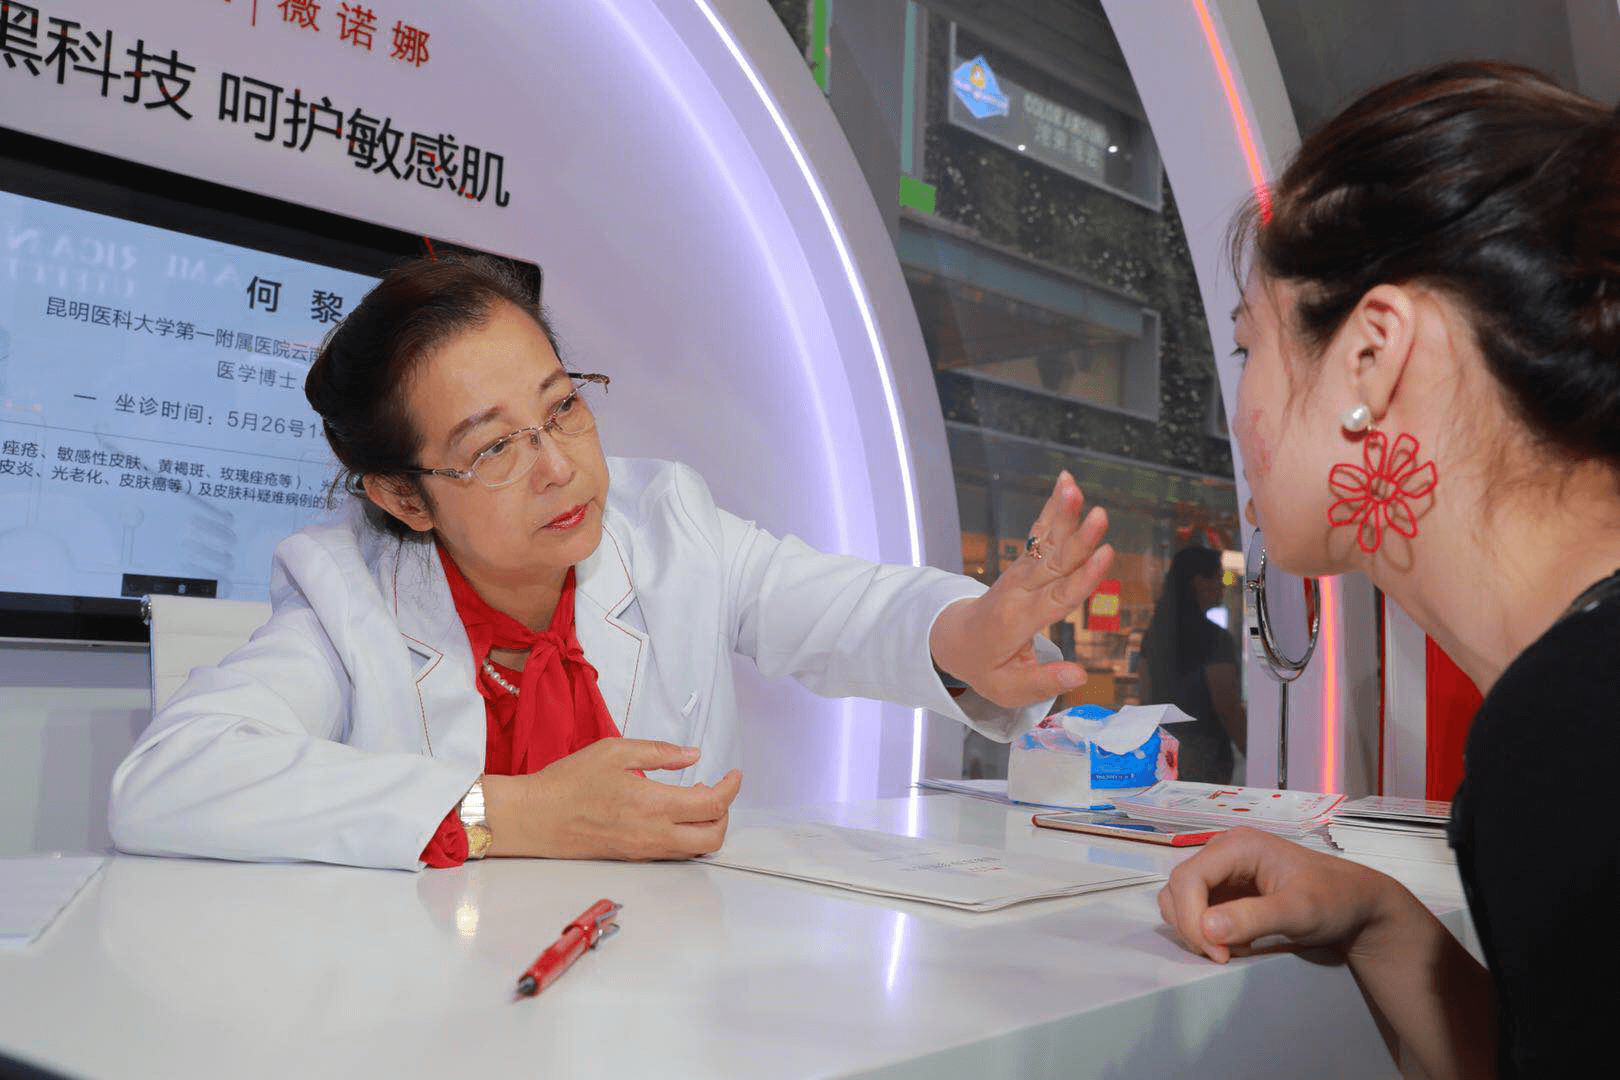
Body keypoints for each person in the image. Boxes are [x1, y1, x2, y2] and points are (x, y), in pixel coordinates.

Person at [109, 255, 1115, 870]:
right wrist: (513, 813)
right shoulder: (345, 594)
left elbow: (839, 608)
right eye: (493, 449)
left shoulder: (668, 527)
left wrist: (964, 636)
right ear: (404, 498)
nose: (559, 467)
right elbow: (168, 779)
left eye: (562, 409)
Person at [1156, 62, 1619, 1077]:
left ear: (1372, 355)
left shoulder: (1570, 734)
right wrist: (1382, 922)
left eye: (1247, 349)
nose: (1239, 413)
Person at [1140, 546, 1243, 781]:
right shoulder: (1214, 638)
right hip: (1204, 755)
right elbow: (1227, 705)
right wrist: (1251, 748)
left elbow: (1144, 694)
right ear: (1199, 582)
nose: (1223, 586)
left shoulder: (1155, 634)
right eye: (1218, 578)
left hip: (1161, 749)